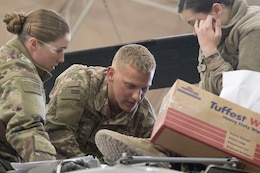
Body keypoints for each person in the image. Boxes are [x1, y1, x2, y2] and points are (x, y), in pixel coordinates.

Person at [45, 44, 163, 161]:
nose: (137, 97)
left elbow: (152, 161)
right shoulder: (79, 83)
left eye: (144, 88)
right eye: (130, 86)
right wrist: (89, 167)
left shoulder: (145, 118)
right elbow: (56, 132)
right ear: (111, 74)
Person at [0, 8, 70, 171]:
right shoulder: (20, 73)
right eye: (58, 50)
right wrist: (52, 168)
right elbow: (26, 129)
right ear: (34, 44)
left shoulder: (5, 58)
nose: (62, 59)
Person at [178, 0, 260, 95]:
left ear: (217, 10)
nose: (196, 31)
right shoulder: (214, 33)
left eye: (196, 23)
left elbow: (244, 94)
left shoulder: (254, 31)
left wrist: (210, 51)